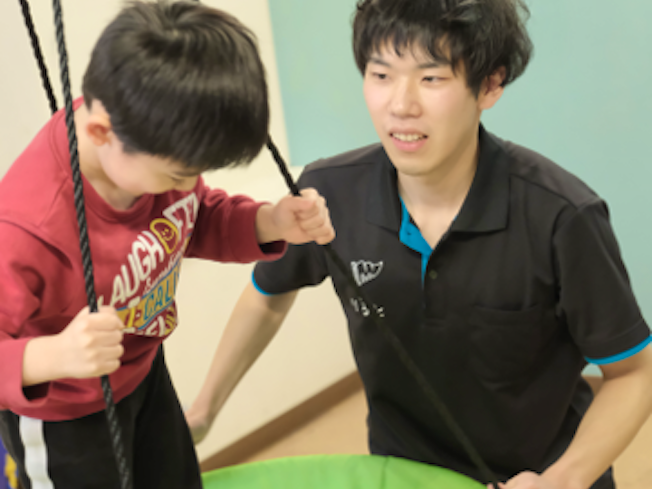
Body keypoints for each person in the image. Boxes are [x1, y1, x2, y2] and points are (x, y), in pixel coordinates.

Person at [185, 0, 652, 488]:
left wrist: (564, 479)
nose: (401, 105)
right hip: (404, 473)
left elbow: (633, 374)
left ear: (490, 85)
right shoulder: (329, 193)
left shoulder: (562, 215)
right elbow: (268, 294)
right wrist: (204, 411)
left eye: (431, 78)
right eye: (381, 75)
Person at [0, 1, 334, 488]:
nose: (189, 184)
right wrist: (52, 357)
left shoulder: (147, 137)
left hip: (143, 371)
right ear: (100, 133)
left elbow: (190, 219)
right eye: (179, 174)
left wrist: (270, 222)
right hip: (66, 418)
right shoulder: (26, 227)